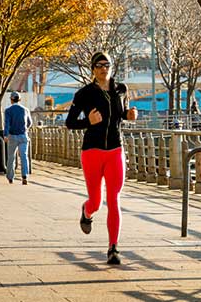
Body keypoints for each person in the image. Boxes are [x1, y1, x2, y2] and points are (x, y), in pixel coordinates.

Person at [66, 51, 138, 266]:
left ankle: (113, 248)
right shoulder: (84, 94)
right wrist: (88, 121)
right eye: (99, 65)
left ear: (112, 67)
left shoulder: (121, 89)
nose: (103, 68)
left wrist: (129, 116)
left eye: (106, 65)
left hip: (115, 149)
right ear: (93, 69)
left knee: (114, 199)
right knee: (96, 201)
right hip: (92, 152)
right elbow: (70, 123)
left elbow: (121, 114)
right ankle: (86, 212)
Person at [4, 91, 32, 185]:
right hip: (23, 135)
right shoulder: (25, 110)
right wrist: (25, 129)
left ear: (11, 100)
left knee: (11, 157)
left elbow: (7, 124)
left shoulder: (8, 110)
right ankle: (25, 176)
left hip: (12, 136)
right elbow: (29, 123)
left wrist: (5, 135)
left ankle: (10, 177)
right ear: (19, 99)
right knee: (24, 156)